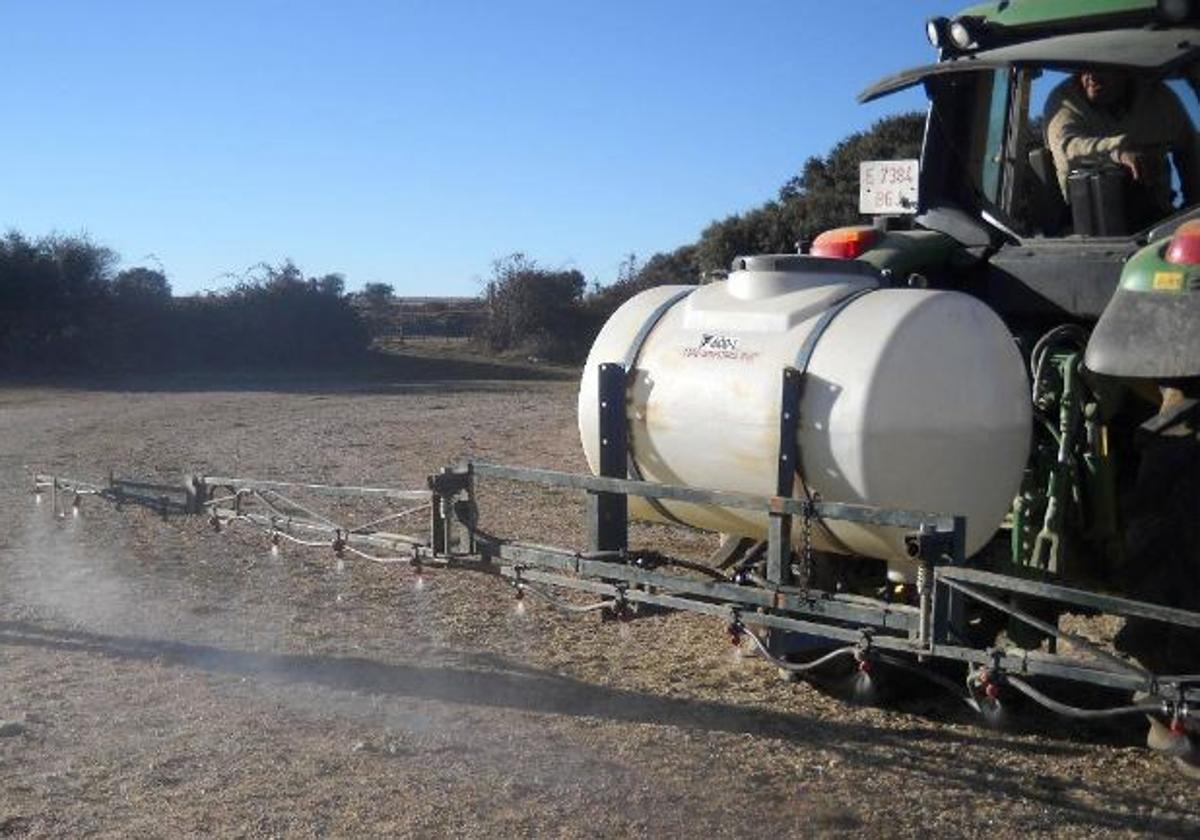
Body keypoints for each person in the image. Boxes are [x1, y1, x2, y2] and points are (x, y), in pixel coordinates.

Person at [1044, 68, 1200, 225]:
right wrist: (1117, 152)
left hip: (1158, 219)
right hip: (1084, 227)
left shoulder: (1157, 98)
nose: (1091, 76)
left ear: (1124, 70)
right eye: (1084, 67)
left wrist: (1192, 208)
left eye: (1101, 67)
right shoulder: (1065, 102)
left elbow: (1190, 150)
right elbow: (1069, 148)